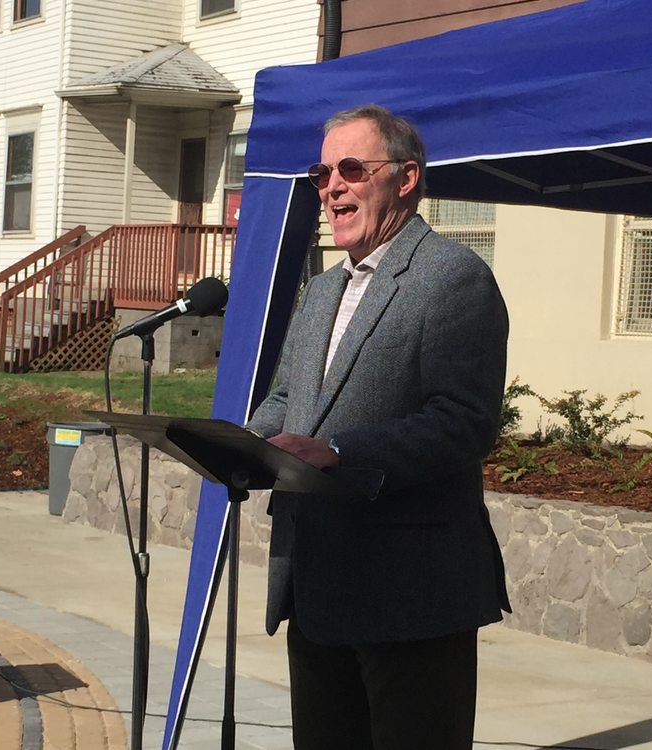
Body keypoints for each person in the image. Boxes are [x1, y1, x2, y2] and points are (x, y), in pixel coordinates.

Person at [246, 103, 510, 750]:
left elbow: (464, 422)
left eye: (351, 168)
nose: (331, 185)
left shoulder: (453, 279)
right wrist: (246, 443)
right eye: (321, 172)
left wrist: (337, 451)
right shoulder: (321, 291)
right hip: (315, 586)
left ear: (406, 177)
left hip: (409, 595)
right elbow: (287, 395)